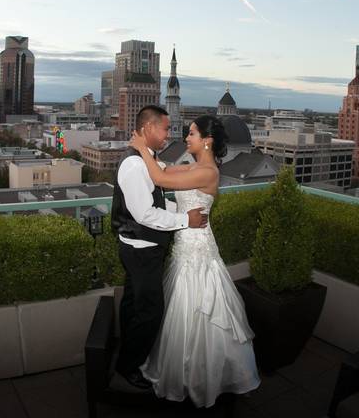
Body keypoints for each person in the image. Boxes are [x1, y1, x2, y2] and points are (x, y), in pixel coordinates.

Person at [129, 114, 260, 407]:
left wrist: (140, 148)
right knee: (182, 307)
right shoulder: (194, 166)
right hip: (184, 244)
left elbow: (160, 179)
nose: (186, 138)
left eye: (191, 133)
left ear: (207, 140)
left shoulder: (208, 172)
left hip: (198, 248)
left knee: (198, 307)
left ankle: (204, 377)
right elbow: (164, 170)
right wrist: (148, 154)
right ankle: (186, 372)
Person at [111, 105, 209, 390]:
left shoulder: (147, 160)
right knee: (150, 310)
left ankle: (126, 353)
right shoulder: (134, 164)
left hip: (140, 246)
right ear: (149, 129)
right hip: (141, 249)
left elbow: (157, 190)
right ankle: (129, 366)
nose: (169, 134)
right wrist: (185, 220)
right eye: (165, 128)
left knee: (133, 302)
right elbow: (145, 214)